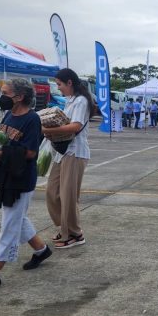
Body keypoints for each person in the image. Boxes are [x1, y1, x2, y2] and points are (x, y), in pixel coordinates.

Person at [0, 79, 51, 296]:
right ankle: (41, 251)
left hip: (21, 179)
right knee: (18, 217)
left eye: (6, 93)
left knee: (9, 226)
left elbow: (29, 153)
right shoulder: (8, 115)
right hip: (6, 174)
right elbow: (4, 142)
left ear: (19, 97)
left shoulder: (32, 119)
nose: (2, 96)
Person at [43, 68, 93, 249]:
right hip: (63, 152)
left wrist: (48, 130)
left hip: (75, 152)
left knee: (68, 195)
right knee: (52, 192)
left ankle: (74, 233)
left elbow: (75, 126)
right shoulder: (69, 101)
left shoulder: (80, 101)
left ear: (69, 83)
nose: (58, 88)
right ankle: (65, 228)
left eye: (59, 84)